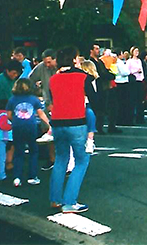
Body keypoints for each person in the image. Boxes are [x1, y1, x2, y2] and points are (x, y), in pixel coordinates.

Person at [49, 46, 97, 213]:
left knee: (61, 159)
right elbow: (94, 98)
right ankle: (70, 201)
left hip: (57, 123)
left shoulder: (53, 79)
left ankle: (55, 199)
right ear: (74, 59)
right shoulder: (83, 77)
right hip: (77, 122)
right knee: (81, 160)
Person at [7, 78, 50, 187]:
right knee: (33, 151)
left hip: (17, 127)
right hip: (31, 126)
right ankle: (32, 176)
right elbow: (41, 114)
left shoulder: (12, 99)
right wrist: (49, 124)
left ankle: (17, 177)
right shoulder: (34, 99)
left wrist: (15, 121)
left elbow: (9, 115)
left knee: (18, 151)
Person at [79, 60, 99, 154]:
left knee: (90, 115)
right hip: (85, 103)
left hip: (86, 103)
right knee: (90, 115)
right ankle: (90, 140)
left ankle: (90, 141)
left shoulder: (92, 80)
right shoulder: (88, 80)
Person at [128, 46, 146, 124]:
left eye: (137, 51)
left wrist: (142, 78)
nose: (137, 52)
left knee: (140, 100)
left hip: (139, 81)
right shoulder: (129, 61)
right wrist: (136, 71)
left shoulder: (139, 61)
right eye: (135, 51)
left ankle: (140, 118)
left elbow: (141, 70)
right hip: (133, 81)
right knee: (133, 100)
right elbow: (128, 71)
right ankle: (131, 118)